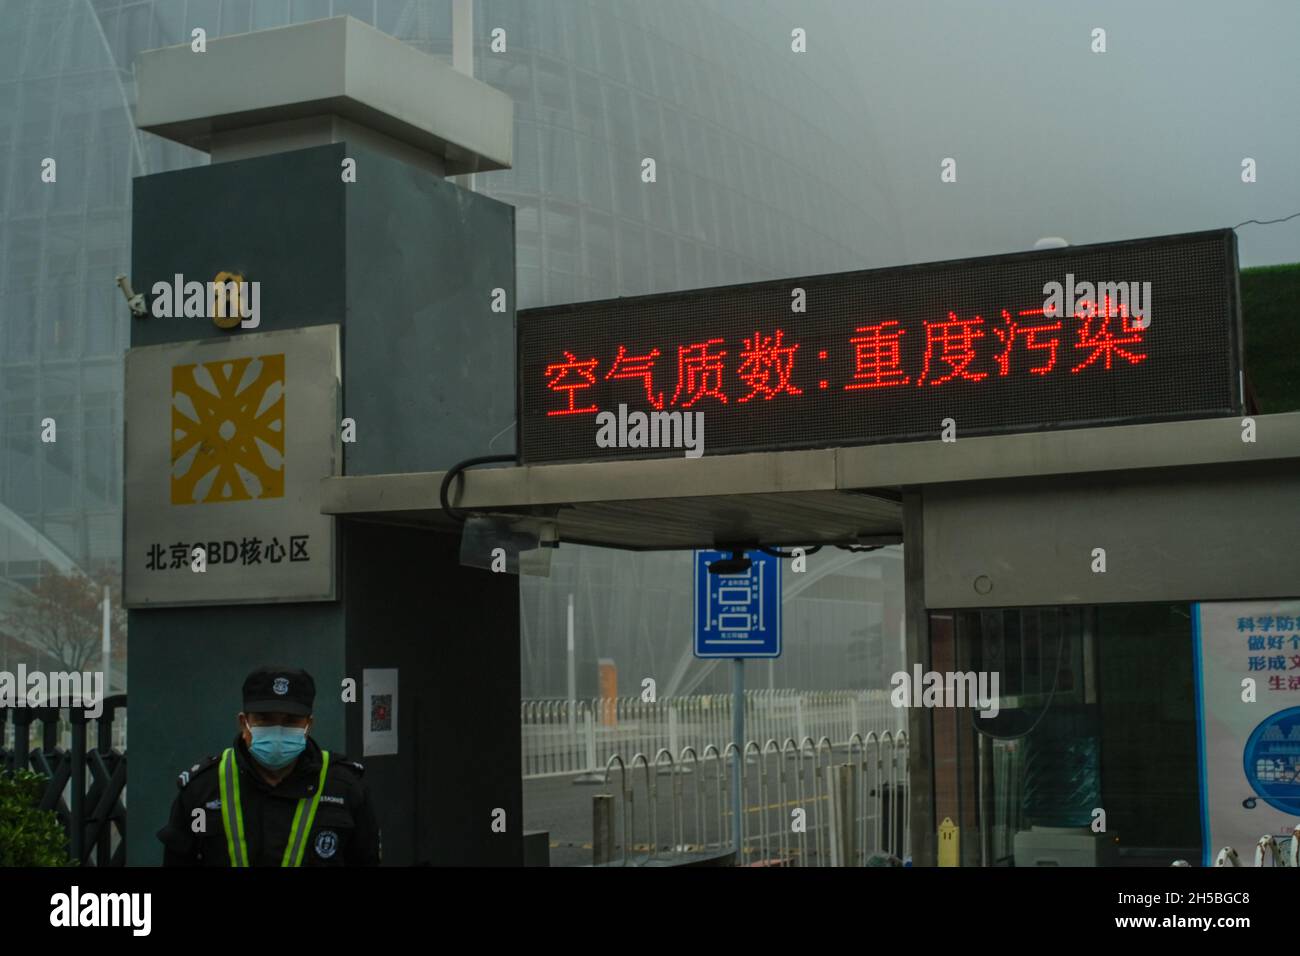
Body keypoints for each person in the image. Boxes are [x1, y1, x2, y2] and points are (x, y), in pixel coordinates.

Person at [158, 665, 380, 866]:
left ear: (308, 725)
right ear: (244, 723)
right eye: (265, 719)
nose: (278, 729)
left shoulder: (344, 788)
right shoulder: (203, 789)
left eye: (291, 721)